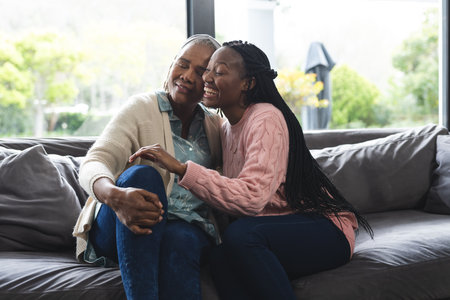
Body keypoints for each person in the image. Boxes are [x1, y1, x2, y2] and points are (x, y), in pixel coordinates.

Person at [133, 40, 373, 300]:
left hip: (326, 231)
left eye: (219, 71)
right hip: (274, 231)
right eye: (208, 70)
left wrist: (181, 168)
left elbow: (252, 198)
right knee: (219, 256)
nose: (206, 78)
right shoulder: (224, 128)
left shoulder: (265, 117)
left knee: (242, 235)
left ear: (247, 83)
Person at [72, 34, 223, 300]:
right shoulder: (141, 108)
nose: (187, 76)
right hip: (119, 219)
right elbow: (94, 162)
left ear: (211, 82)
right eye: (183, 64)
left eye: (200, 72)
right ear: (171, 65)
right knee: (143, 176)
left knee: (181, 239)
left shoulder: (215, 127)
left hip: (185, 228)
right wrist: (115, 197)